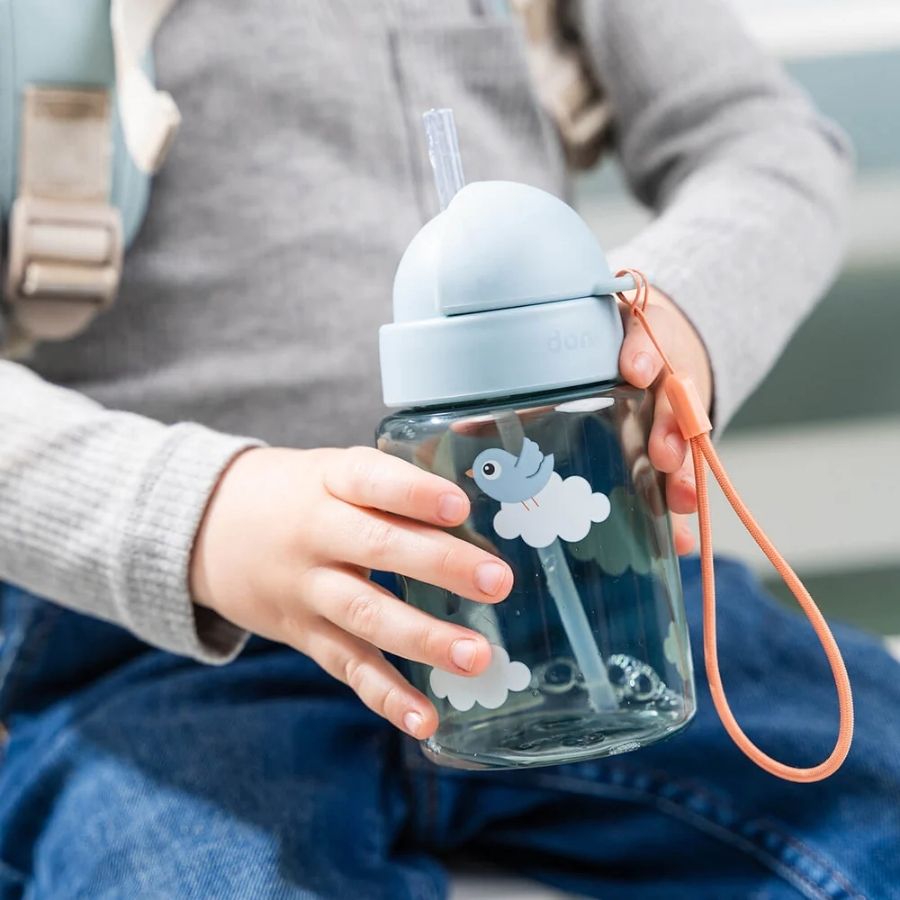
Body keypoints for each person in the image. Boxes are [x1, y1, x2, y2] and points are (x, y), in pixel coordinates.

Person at [0, 2, 897, 898]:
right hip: (159, 651)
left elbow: (763, 140)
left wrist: (677, 316)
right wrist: (197, 516)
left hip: (577, 592)